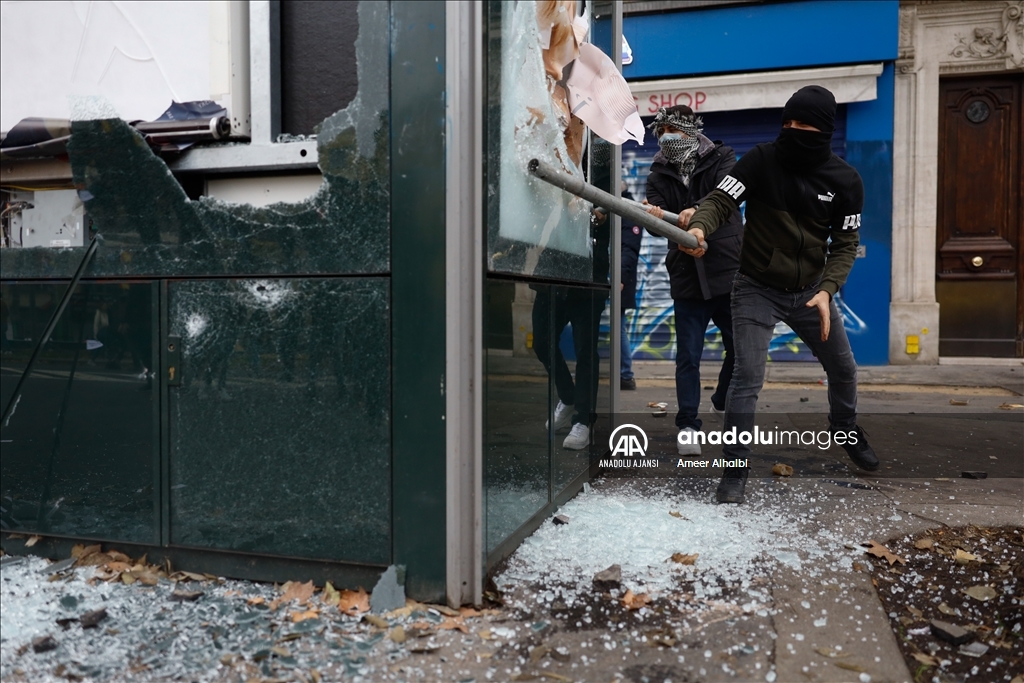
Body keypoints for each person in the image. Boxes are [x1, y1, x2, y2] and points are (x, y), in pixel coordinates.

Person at [684, 85, 879, 504]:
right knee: (747, 379)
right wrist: (699, 227)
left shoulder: (846, 181)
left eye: (803, 124)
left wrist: (828, 290)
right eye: (787, 122)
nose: (792, 130)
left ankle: (845, 428)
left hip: (812, 293)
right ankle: (734, 469)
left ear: (823, 131)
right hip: (756, 288)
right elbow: (721, 200)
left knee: (844, 368)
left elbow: (845, 244)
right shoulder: (761, 160)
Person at [643, 105, 742, 455]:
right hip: (685, 275)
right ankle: (687, 425)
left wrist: (697, 208)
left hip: (725, 269)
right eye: (660, 133)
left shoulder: (723, 157)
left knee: (740, 348)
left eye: (672, 131)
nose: (666, 138)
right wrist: (655, 217)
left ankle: (719, 397)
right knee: (688, 356)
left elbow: (728, 198)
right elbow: (657, 219)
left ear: (690, 131)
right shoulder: (658, 172)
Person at [620, 186, 642, 391]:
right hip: (618, 277)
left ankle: (626, 375)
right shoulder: (620, 206)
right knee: (619, 325)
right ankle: (624, 373)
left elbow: (630, 249)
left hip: (621, 279)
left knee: (619, 326)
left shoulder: (628, 209)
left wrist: (620, 276)